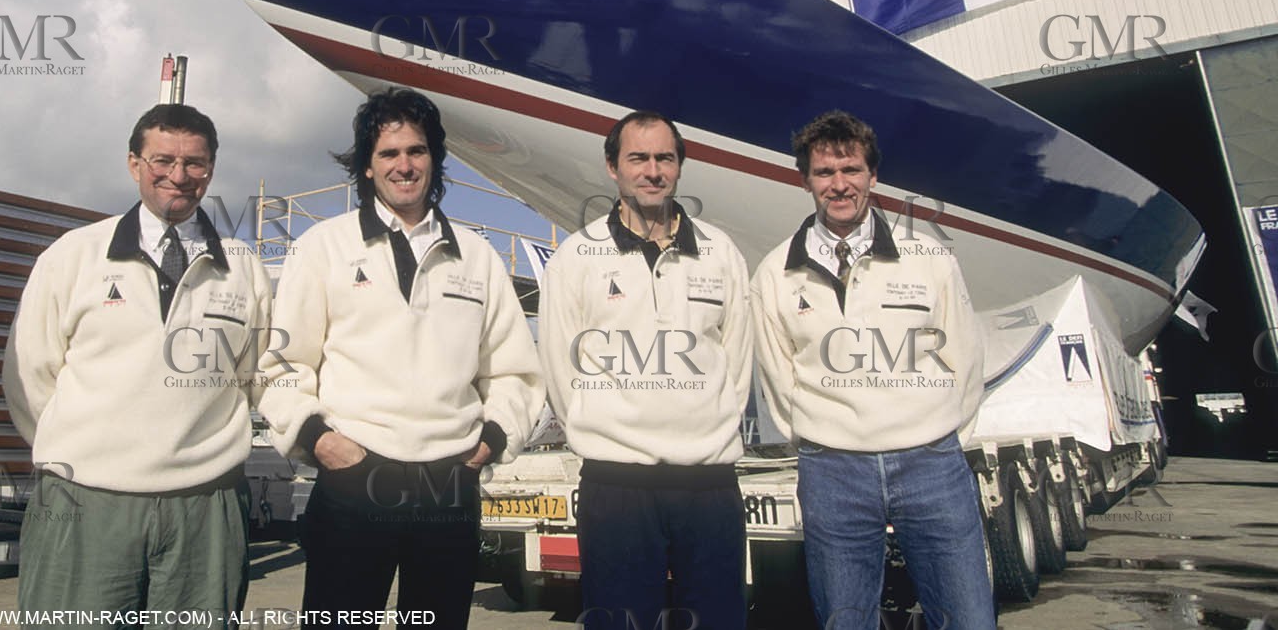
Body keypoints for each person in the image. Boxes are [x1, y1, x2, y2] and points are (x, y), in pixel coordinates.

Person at [258, 87, 543, 630]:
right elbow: (283, 365)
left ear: (434, 159)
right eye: (388, 154)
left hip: (449, 484)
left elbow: (514, 371)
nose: (404, 165)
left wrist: (492, 442)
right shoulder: (323, 247)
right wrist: (321, 441)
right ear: (367, 166)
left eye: (416, 151)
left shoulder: (476, 257)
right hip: (352, 478)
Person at [3, 103, 271, 621]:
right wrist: (85, 452)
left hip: (206, 509)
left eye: (195, 163)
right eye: (162, 160)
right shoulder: (73, 255)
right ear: (133, 164)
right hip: (84, 502)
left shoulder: (243, 270)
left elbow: (256, 375)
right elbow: (30, 375)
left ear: (211, 170)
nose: (178, 175)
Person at [750, 110, 992, 630]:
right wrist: (822, 437)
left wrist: (937, 431)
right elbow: (777, 373)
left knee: (969, 620)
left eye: (852, 170)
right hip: (832, 471)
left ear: (873, 176)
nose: (840, 185)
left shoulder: (928, 257)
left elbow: (966, 359)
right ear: (805, 181)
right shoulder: (775, 272)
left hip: (931, 465)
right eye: (824, 173)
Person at [540, 110, 754, 630]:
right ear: (613, 167)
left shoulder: (720, 253)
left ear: (680, 167)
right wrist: (607, 433)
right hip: (617, 488)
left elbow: (738, 362)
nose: (652, 170)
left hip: (709, 484)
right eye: (638, 158)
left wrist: (711, 428)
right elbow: (560, 369)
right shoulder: (577, 257)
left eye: (665, 158)